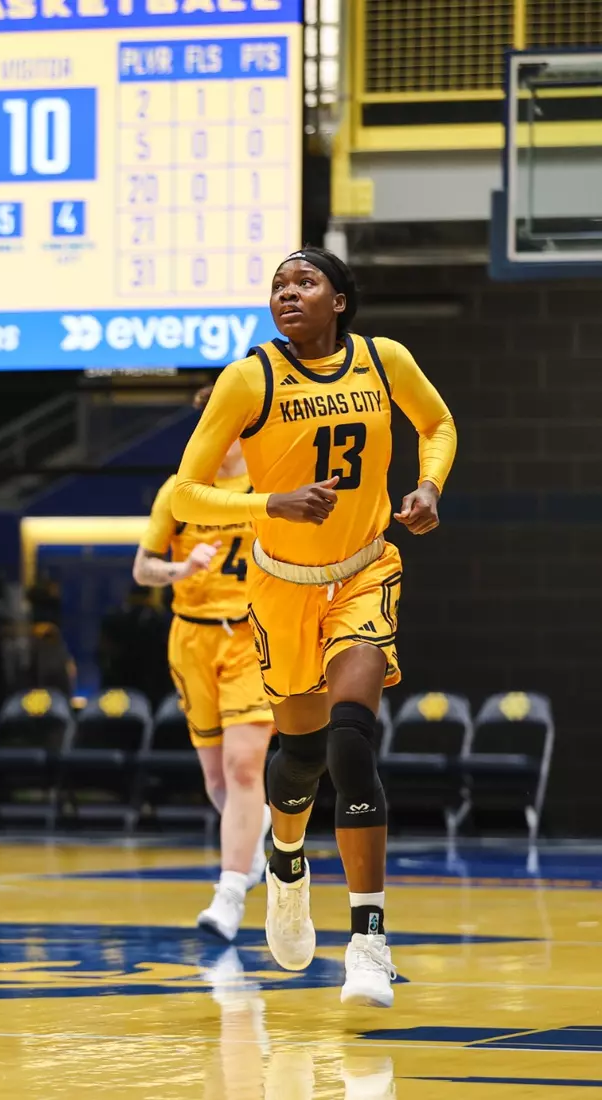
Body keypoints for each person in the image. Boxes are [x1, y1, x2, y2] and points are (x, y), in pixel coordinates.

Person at [173, 247, 456, 1009]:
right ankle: (286, 861)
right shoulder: (248, 378)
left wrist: (428, 487)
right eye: (277, 284)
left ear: (339, 299)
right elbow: (185, 491)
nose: (287, 293)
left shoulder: (384, 360)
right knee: (298, 758)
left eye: (304, 282)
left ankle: (368, 940)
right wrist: (273, 504)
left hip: (365, 568)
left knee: (351, 741)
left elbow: (436, 422)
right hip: (282, 587)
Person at [135, 388, 273, 942]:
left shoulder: (268, 485)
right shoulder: (179, 490)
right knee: (218, 780)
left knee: (244, 767)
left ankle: (230, 891)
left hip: (250, 636)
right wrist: (181, 570)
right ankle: (252, 833)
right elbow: (143, 568)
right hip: (191, 638)